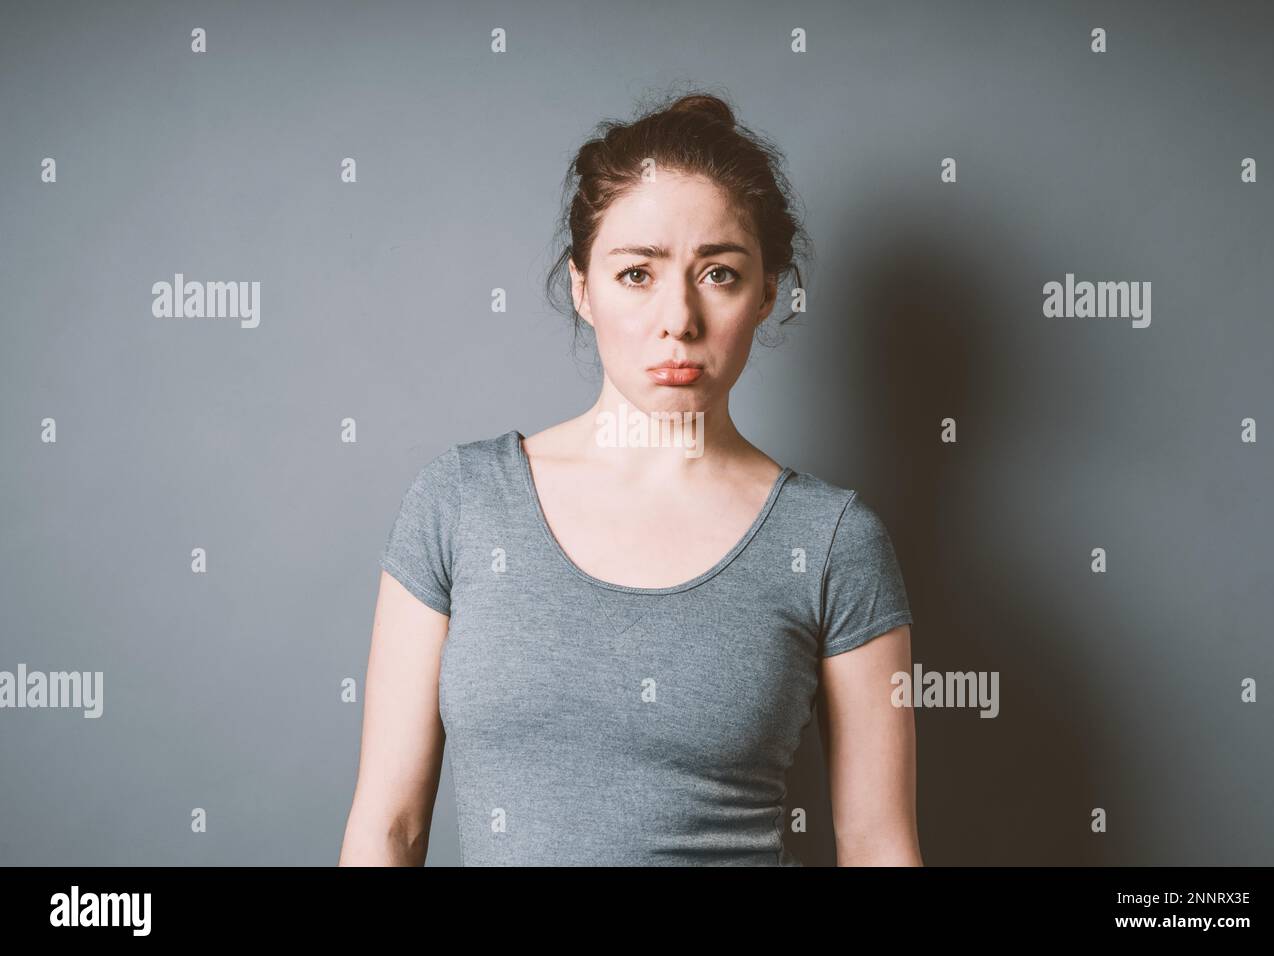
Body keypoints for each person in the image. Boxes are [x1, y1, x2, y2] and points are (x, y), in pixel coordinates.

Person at [339, 89, 921, 866]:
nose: (677, 316)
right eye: (637, 273)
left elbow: (879, 844)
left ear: (769, 293)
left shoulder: (832, 542)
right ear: (583, 288)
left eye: (718, 273)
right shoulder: (459, 504)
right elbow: (388, 831)